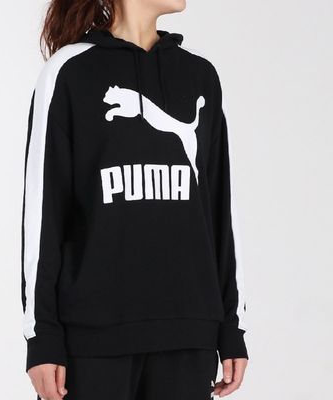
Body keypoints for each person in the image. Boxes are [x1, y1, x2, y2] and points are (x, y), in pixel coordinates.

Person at [20, 0, 249, 399]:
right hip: (93, 338)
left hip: (188, 331)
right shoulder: (69, 72)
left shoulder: (200, 76)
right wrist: (42, 337)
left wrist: (232, 326)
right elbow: (44, 213)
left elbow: (218, 211)